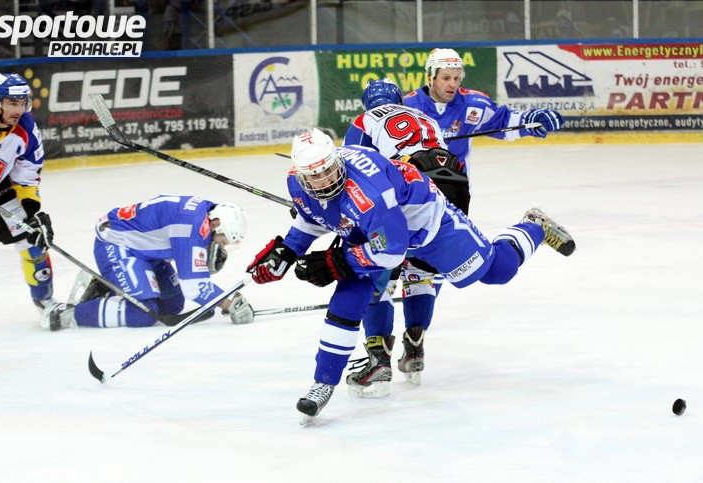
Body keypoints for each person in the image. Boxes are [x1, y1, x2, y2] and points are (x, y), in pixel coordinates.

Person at [246, 128, 575, 421]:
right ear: (300, 173)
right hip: (374, 229)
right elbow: (315, 216)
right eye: (314, 176)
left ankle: (533, 226)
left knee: (496, 271)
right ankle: (323, 383)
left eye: (328, 170)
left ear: (337, 161)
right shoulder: (297, 182)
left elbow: (392, 250)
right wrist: (287, 249)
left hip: (428, 228)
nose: (324, 180)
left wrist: (336, 261)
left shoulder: (370, 193)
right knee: (349, 295)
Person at [350, 48, 567, 392]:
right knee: (406, 269)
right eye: (445, 78)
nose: (451, 84)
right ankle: (395, 350)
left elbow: (505, 122)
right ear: (430, 77)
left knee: (412, 271)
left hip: (442, 200)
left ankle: (408, 343)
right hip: (422, 197)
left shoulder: (472, 104)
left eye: (456, 78)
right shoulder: (410, 106)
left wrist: (533, 121)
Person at [343, 78, 470, 397]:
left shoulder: (364, 120)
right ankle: (414, 348)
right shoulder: (426, 119)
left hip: (402, 198)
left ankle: (378, 360)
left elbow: (351, 172)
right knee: (420, 274)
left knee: (377, 274)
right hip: (443, 196)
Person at [39, 195, 254, 330]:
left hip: (145, 250)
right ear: (215, 224)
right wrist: (230, 303)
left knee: (172, 304)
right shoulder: (190, 228)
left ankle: (109, 288)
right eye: (222, 241)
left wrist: (222, 300)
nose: (220, 247)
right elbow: (194, 287)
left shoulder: (205, 214)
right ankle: (68, 314)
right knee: (143, 313)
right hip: (117, 245)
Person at [0, 72, 56, 310]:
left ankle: (46, 302)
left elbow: (27, 176)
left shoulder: (26, 129)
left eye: (23, 103)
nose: (19, 110)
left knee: (32, 241)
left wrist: (32, 213)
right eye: (13, 103)